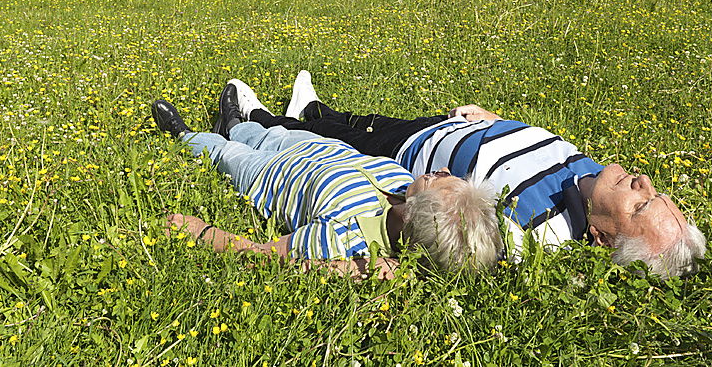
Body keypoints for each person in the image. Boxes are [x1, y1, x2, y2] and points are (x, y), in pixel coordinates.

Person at [228, 71, 706, 279]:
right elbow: (534, 150)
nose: (643, 182)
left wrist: (372, 265)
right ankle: (312, 107)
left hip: (415, 158)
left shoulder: (541, 236)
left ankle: (256, 121)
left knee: (346, 141)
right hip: (456, 126)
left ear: (602, 237)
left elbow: (455, 246)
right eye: (655, 192)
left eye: (641, 204)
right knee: (363, 120)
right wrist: (493, 118)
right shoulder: (595, 175)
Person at [150, 87, 502, 279]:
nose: (439, 170)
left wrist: (201, 231)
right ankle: (233, 123)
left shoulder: (344, 238)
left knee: (228, 155)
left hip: (268, 177)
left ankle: (186, 136)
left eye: (437, 180)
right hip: (316, 148)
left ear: (412, 216)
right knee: (266, 132)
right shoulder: (404, 183)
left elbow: (264, 256)